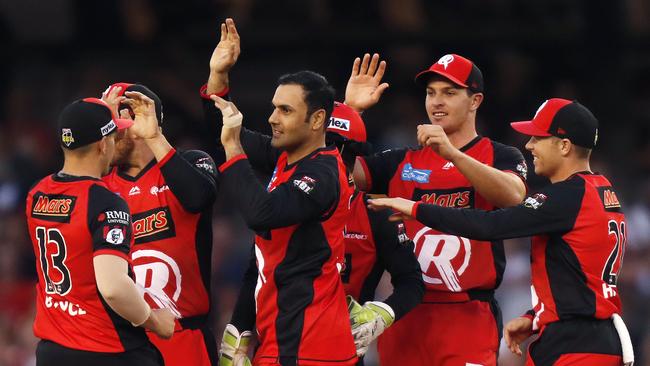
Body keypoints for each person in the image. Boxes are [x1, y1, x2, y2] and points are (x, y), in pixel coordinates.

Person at [368, 98, 634, 366]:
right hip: (581, 335)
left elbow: (492, 225)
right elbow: (578, 275)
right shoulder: (600, 188)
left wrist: (417, 209)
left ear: (564, 146)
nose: (529, 145)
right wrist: (535, 317)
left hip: (577, 345)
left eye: (537, 138)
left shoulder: (566, 196)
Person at [346, 53, 528, 365]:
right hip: (404, 314)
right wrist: (350, 113)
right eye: (431, 93)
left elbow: (514, 196)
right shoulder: (400, 161)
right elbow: (333, 176)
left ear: (475, 101)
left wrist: (451, 153)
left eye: (449, 92)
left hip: (467, 316)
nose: (436, 102)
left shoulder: (500, 155)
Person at [201, 21, 356, 363]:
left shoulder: (323, 173)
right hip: (282, 339)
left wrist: (233, 150)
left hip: (310, 346)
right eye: (274, 107)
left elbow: (263, 215)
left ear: (317, 120)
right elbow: (222, 128)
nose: (272, 118)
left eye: (285, 110)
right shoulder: (287, 156)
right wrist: (218, 75)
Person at [25, 94, 175, 366]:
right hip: (108, 349)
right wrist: (156, 322)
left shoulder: (37, 194)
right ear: (102, 145)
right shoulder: (104, 200)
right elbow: (113, 287)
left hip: (53, 350)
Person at [101, 81, 220, 366]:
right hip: (124, 341)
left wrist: (154, 137)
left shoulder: (192, 161)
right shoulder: (99, 187)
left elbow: (199, 197)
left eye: (112, 125)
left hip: (183, 336)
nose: (106, 135)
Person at [326, 102, 424, 363]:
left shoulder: (376, 213)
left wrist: (383, 313)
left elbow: (412, 282)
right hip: (278, 345)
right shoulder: (283, 201)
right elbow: (255, 270)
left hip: (339, 350)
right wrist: (240, 328)